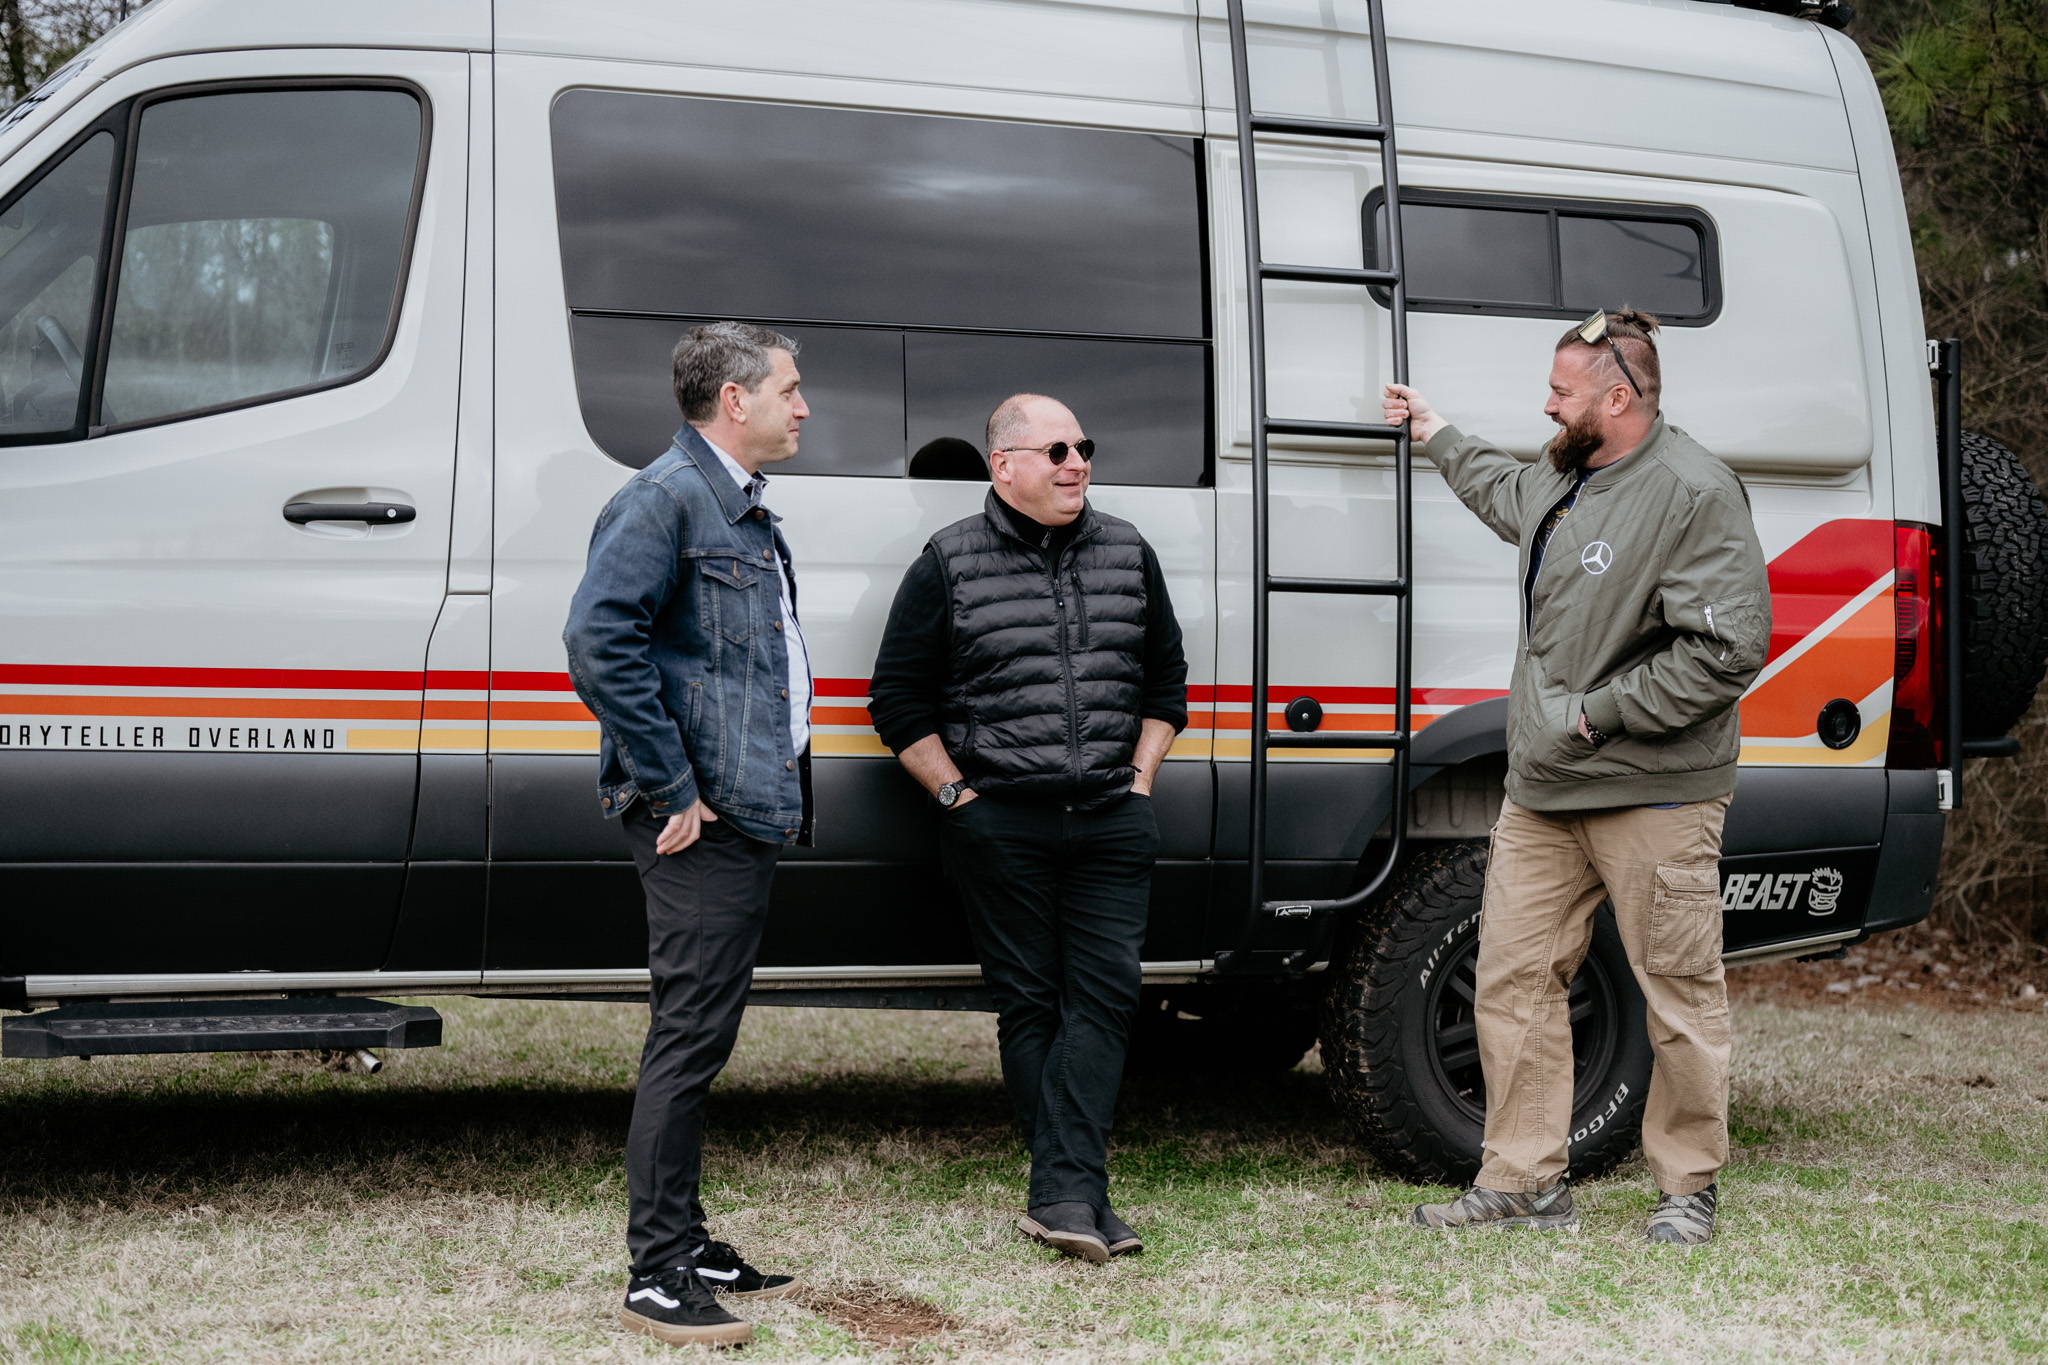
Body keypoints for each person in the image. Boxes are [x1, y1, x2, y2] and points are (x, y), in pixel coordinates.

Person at [1383, 309, 1770, 1246]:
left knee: (1677, 989)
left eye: (1561, 392)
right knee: (1513, 978)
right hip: (1547, 789)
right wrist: (1437, 435)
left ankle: (1687, 1188)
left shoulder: (1692, 490)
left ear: (1618, 397)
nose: (1546, 405)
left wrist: (1601, 712)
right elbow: (1507, 492)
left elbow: (1729, 647)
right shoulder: (1567, 471)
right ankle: (1523, 1178)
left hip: (1656, 789)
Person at [869, 393, 1189, 1264]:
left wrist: (1140, 776)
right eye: (1054, 450)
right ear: (1002, 465)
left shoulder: (1128, 549)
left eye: (1083, 445)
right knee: (1033, 1002)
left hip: (1111, 818)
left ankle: (1064, 1192)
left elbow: (1167, 682)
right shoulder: (948, 562)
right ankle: (1075, 1194)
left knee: (1107, 999)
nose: (1076, 461)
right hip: (999, 822)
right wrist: (957, 800)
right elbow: (896, 700)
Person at [564, 321, 813, 1347]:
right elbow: (596, 638)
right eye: (790, 389)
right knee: (688, 1037)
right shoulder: (667, 497)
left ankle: (689, 1238)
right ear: (733, 401)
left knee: (702, 1034)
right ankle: (658, 1274)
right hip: (696, 817)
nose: (803, 407)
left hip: (739, 805)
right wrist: (671, 787)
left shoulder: (736, 505)